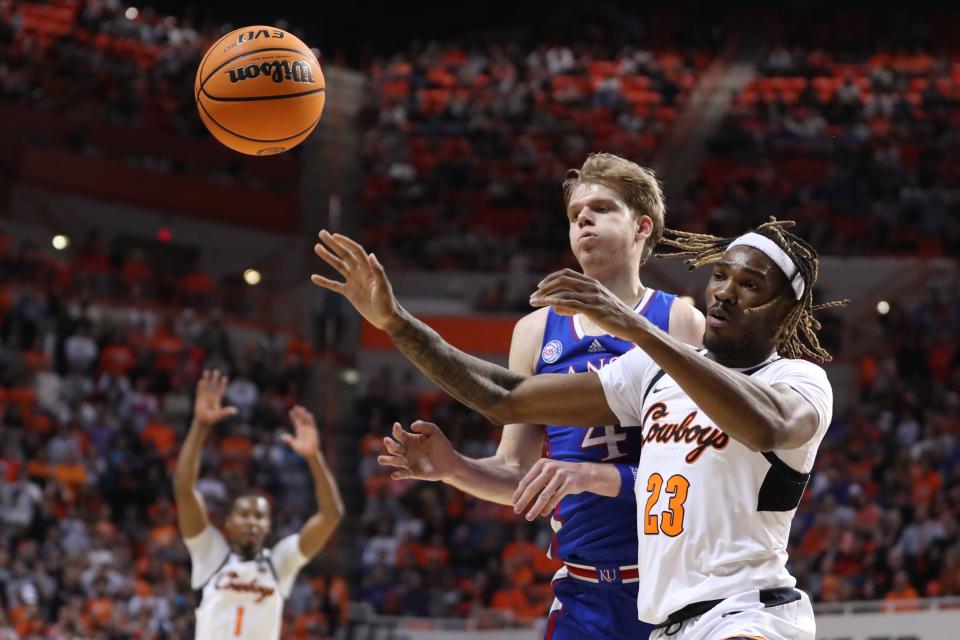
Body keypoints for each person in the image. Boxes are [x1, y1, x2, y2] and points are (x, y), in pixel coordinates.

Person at [310, 218, 845, 640]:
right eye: (721, 276)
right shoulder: (653, 372)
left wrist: (637, 328)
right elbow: (505, 396)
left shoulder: (798, 381)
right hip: (666, 624)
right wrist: (397, 323)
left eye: (750, 285)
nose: (725, 292)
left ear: (785, 310)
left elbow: (768, 426)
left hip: (749, 615)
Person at [370, 154, 703, 639]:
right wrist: (454, 469)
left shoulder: (679, 322)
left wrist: (595, 475)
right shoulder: (534, 331)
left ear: (642, 227)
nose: (583, 218)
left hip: (670, 587)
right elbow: (519, 473)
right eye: (574, 214)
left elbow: (698, 476)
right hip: (582, 595)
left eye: (603, 208)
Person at [173, 370, 344, 640]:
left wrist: (314, 457)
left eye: (259, 516)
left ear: (268, 525)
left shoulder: (280, 562)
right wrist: (199, 425)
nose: (252, 520)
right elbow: (184, 489)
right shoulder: (210, 553)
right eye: (244, 514)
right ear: (227, 522)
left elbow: (331, 515)